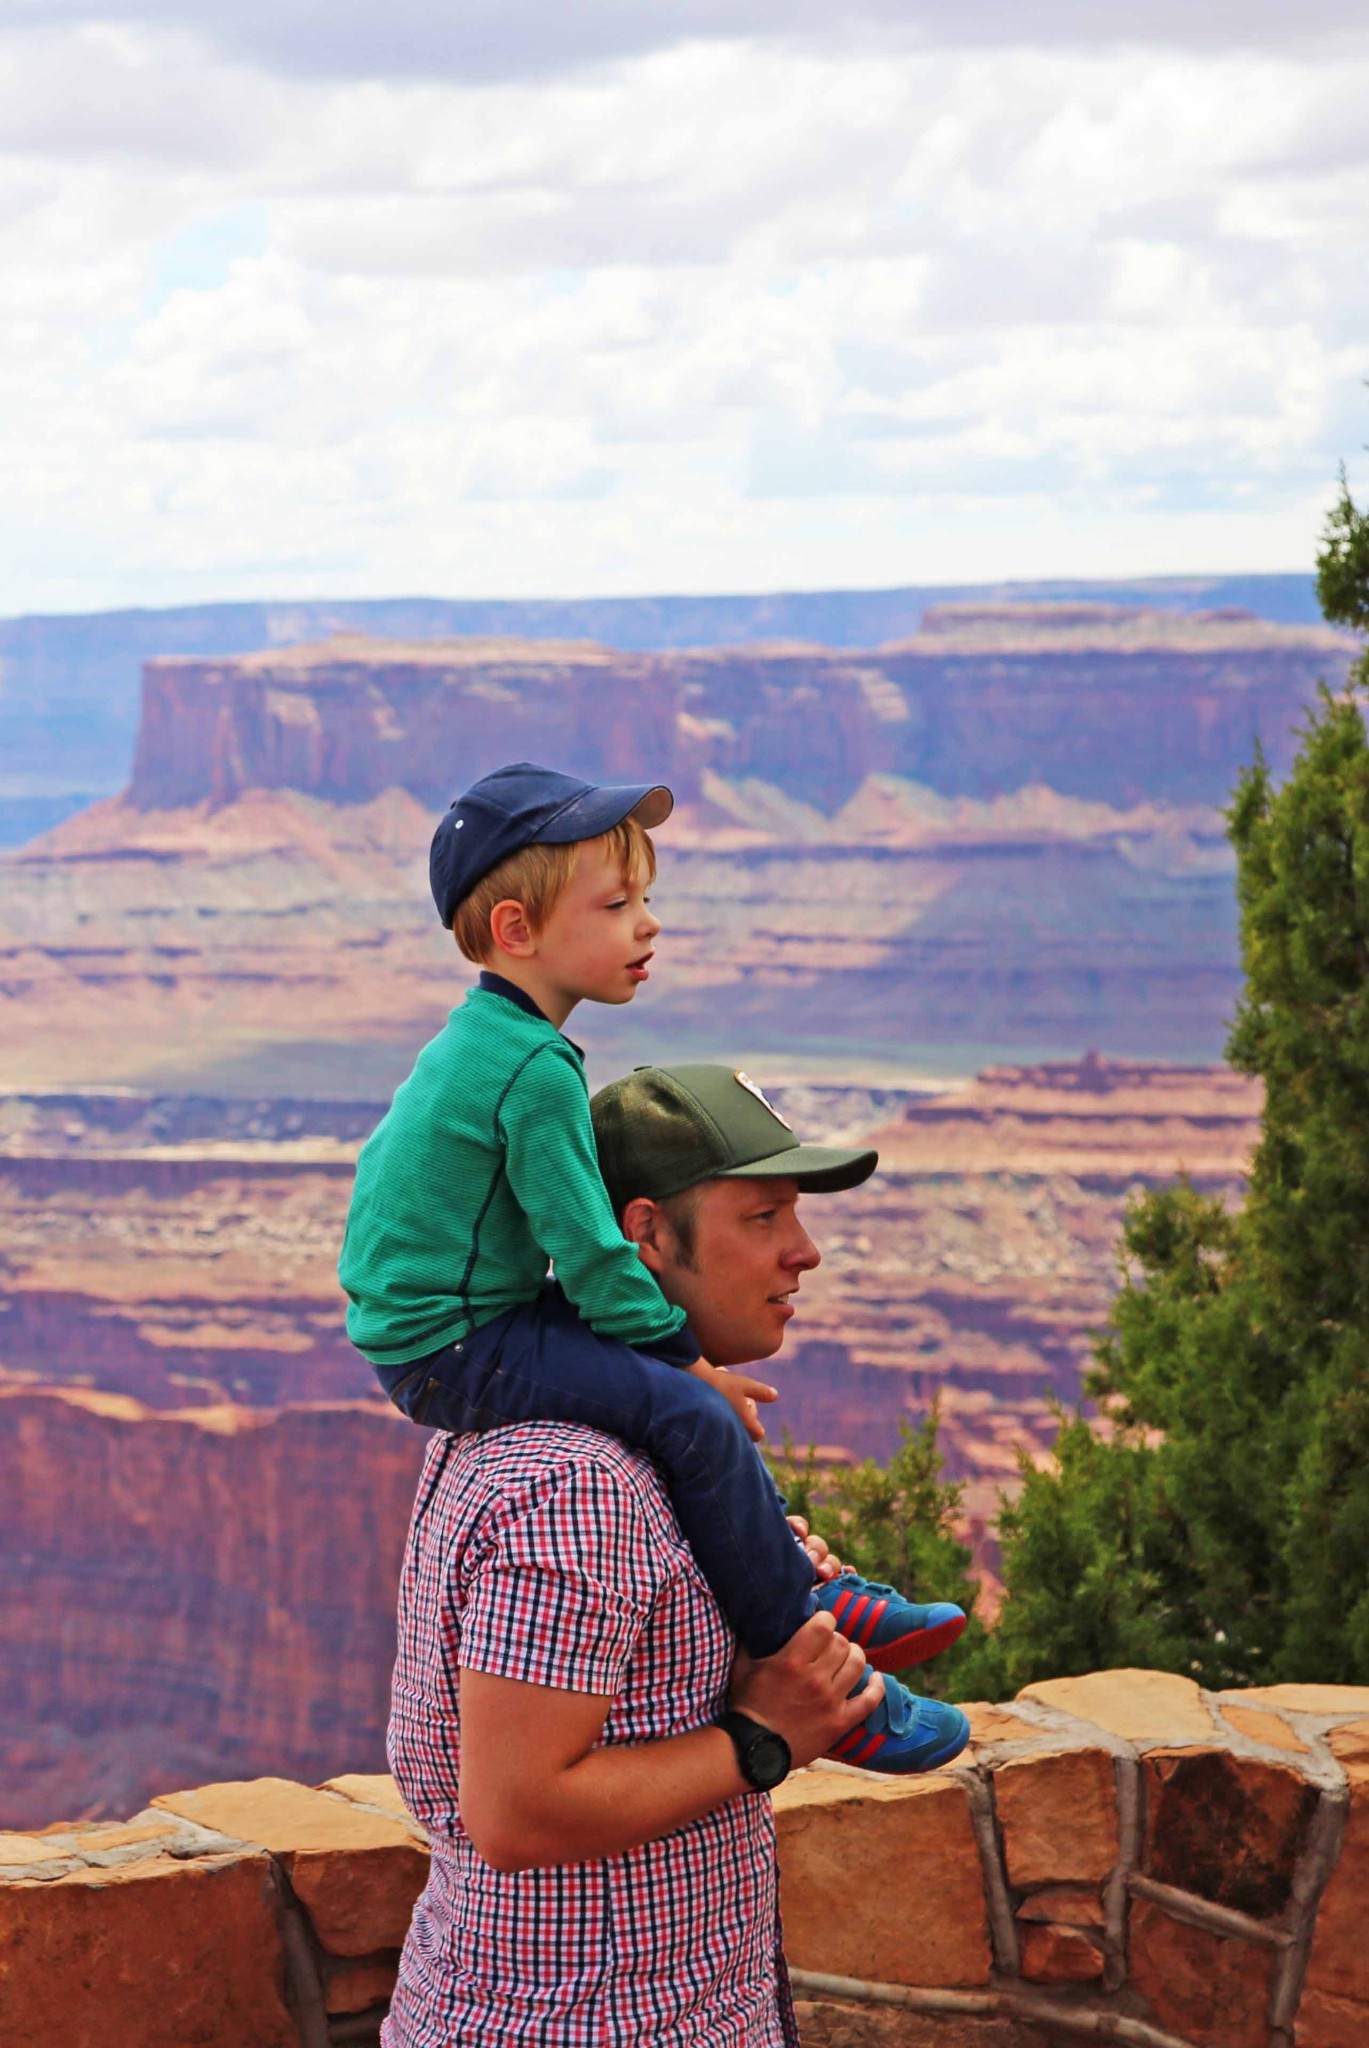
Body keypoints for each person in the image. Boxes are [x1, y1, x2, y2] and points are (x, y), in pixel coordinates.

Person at [341, 762, 967, 1770]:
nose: (648, 924)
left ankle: (805, 1577)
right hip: (455, 1343)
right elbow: (590, 1247)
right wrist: (686, 1360)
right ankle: (813, 1659)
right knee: (687, 1413)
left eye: (647, 900)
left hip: (453, 1322)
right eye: (618, 902)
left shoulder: (486, 1039)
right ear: (517, 931)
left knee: (664, 1398)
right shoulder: (530, 1067)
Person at [385, 1066, 971, 2046]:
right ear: (645, 1234)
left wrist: (753, 1609)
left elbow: (629, 1674)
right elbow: (516, 1810)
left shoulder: (631, 1434)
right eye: (763, 1216)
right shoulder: (578, 1482)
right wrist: (764, 1734)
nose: (804, 1251)